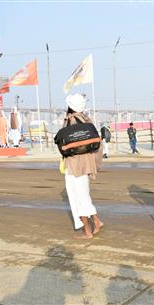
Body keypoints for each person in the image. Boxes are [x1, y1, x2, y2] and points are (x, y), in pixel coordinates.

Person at [62, 94, 104, 239]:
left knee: (77, 198)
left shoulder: (70, 120)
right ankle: (97, 222)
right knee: (84, 194)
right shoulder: (87, 120)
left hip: (74, 165)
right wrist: (95, 165)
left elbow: (64, 145)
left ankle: (87, 231)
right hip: (87, 164)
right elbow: (98, 145)